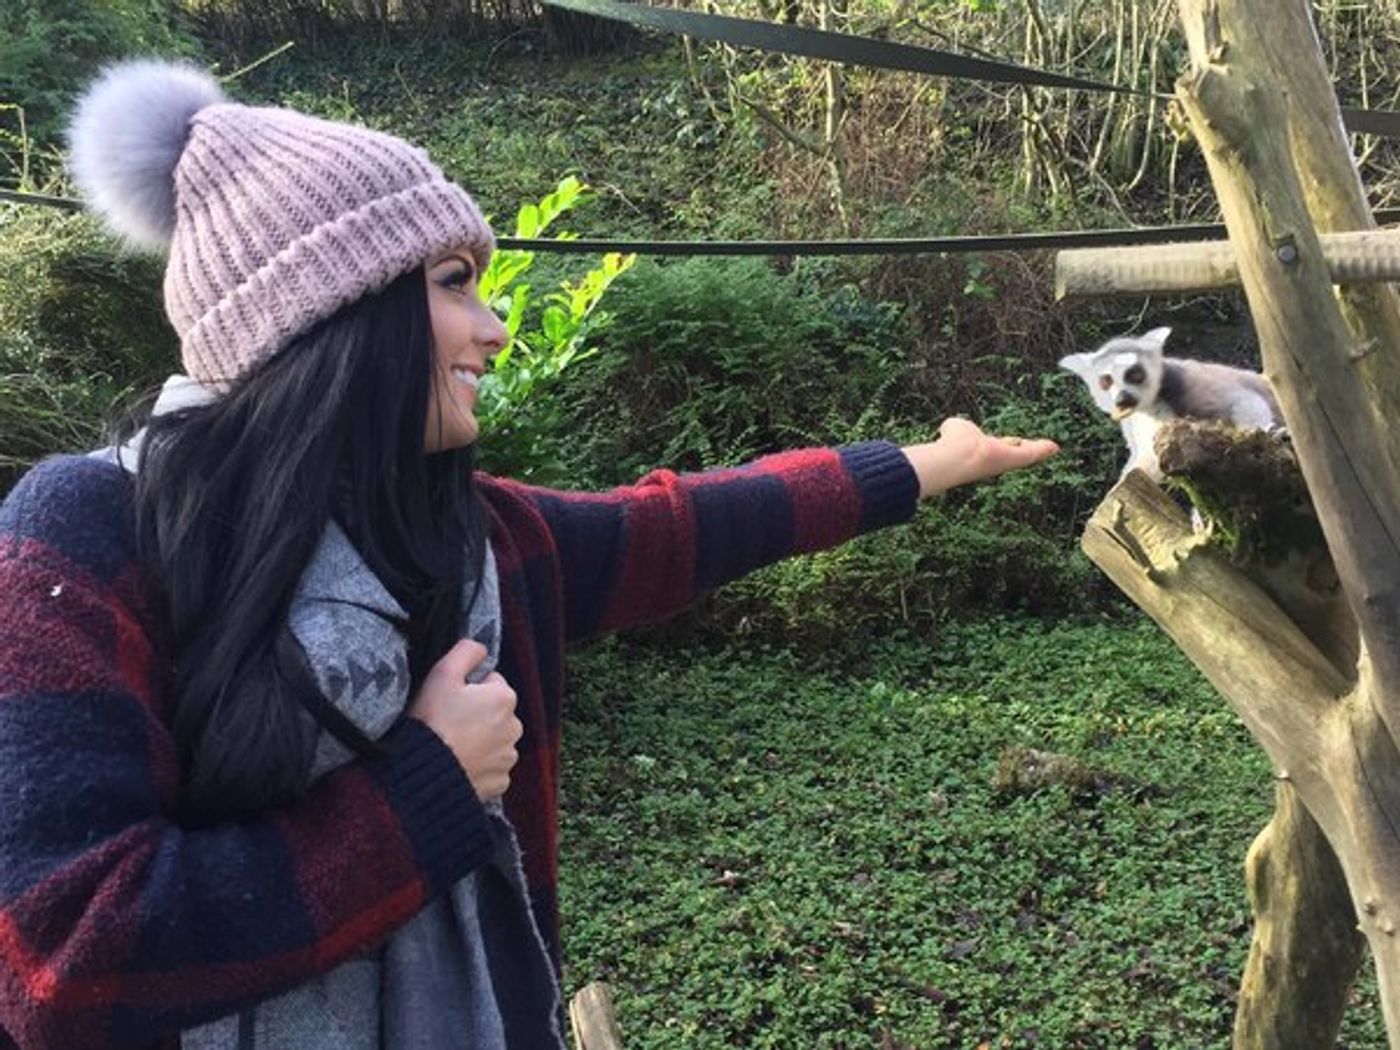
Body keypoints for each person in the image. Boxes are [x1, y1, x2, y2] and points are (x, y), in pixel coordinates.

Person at [0, 59, 1058, 1050]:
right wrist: (420, 796)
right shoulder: (87, 533)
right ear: (330, 313)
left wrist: (923, 464)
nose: (494, 326)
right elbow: (57, 959)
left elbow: (678, 526)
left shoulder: (471, 541)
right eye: (455, 282)